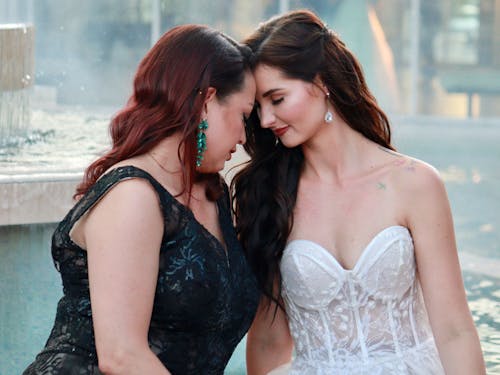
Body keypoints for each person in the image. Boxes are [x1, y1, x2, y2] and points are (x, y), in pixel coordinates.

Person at [232, 10, 486, 375]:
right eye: (257, 107)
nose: (266, 119)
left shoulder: (415, 183)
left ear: (321, 83)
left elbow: (455, 330)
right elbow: (269, 340)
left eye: (277, 99)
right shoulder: (267, 196)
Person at [23, 24, 259, 375]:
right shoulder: (132, 194)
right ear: (207, 101)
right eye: (243, 116)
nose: (243, 136)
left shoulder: (213, 193)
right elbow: (121, 355)